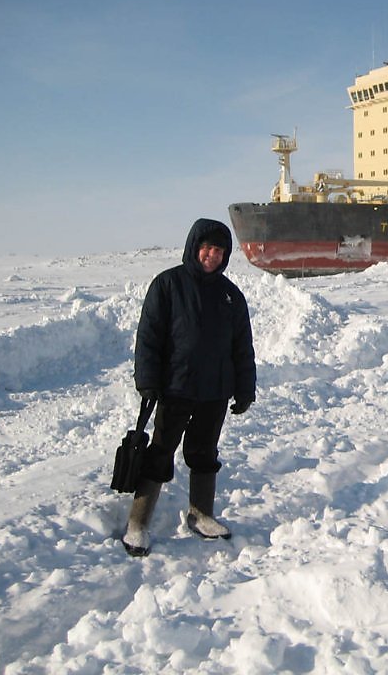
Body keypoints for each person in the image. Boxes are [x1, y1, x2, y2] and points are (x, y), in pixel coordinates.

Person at [122, 218, 257, 557]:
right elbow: (149, 338)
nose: (213, 255)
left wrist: (244, 389)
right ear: (195, 248)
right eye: (207, 248)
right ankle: (137, 524)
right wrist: (149, 381)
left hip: (215, 391)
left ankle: (201, 515)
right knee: (160, 452)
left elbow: (242, 347)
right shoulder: (168, 285)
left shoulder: (230, 295)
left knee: (203, 454)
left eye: (220, 250)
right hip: (175, 388)